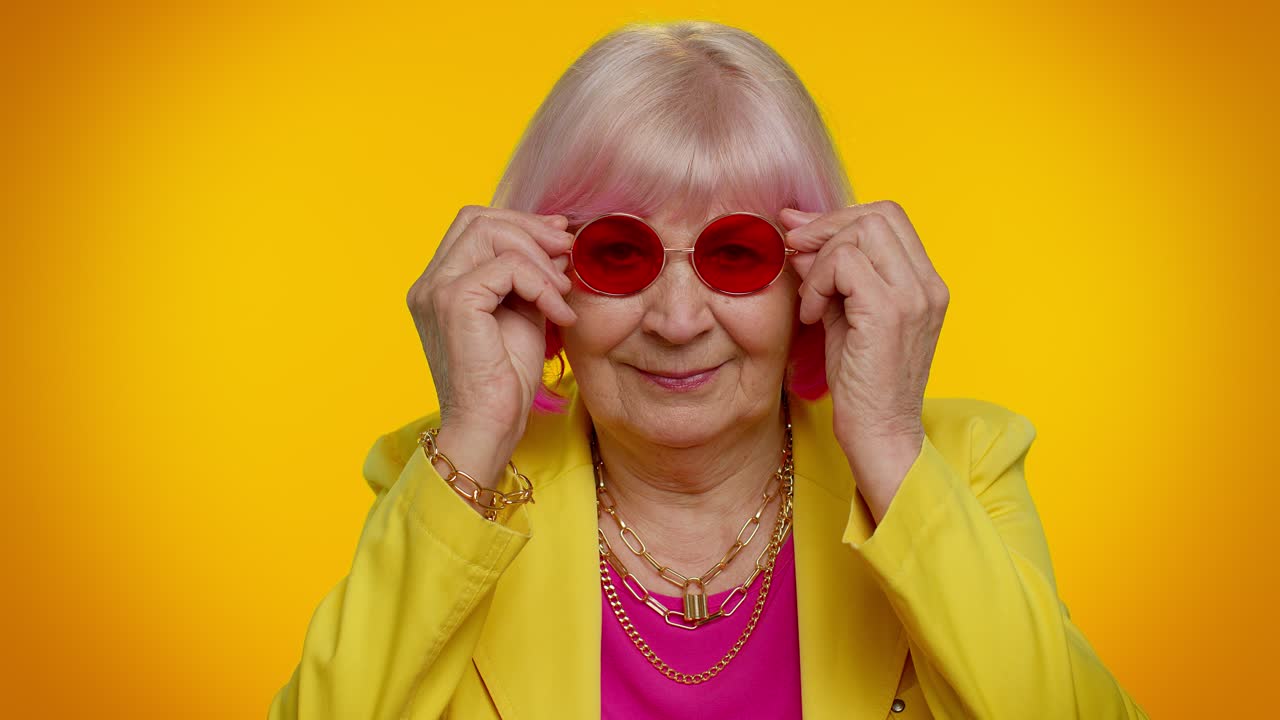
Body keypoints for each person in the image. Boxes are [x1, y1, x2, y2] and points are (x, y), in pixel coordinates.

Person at [269, 20, 1149, 720]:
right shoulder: (450, 483)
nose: (679, 320)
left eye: (735, 254)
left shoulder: (959, 467)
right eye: (619, 254)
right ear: (540, 273)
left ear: (814, 273)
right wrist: (473, 435)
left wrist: (887, 445)